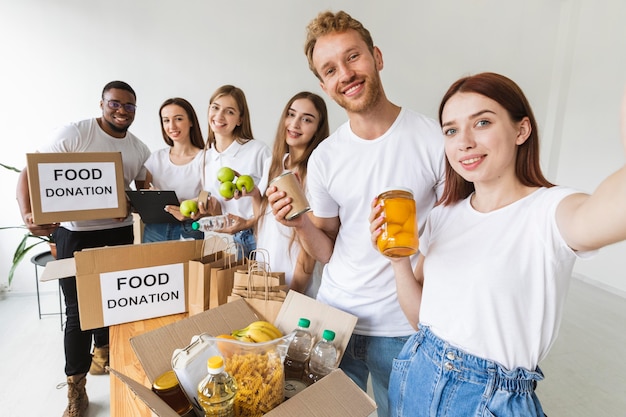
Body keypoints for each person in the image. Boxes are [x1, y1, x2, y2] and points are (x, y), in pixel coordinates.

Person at [369, 72, 626, 416]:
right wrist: (398, 261)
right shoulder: (444, 216)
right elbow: (421, 319)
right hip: (417, 372)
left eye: (483, 122)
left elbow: (612, 212)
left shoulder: (549, 211)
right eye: (451, 130)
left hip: (490, 399)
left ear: (521, 130)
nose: (464, 142)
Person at [267, 11, 445, 417]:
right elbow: (327, 248)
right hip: (335, 323)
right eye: (330, 69)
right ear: (323, 84)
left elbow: (451, 234)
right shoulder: (327, 155)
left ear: (376, 57)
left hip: (403, 329)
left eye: (353, 57)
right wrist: (299, 223)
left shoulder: (432, 138)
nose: (345, 73)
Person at [15, 81, 151, 417]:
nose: (121, 111)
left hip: (118, 235)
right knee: (77, 313)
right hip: (74, 236)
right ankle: (76, 390)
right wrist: (28, 215)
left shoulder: (138, 148)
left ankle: (103, 357)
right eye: (115, 103)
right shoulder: (74, 134)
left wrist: (134, 203)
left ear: (136, 109)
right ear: (102, 103)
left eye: (129, 106)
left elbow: (146, 192)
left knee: (114, 304)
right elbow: (28, 173)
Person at [251, 91, 329, 297]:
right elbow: (263, 223)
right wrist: (253, 195)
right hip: (267, 275)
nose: (294, 124)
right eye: (291, 114)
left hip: (297, 284)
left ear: (317, 130)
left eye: (306, 119)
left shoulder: (315, 172)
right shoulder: (273, 163)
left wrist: (292, 294)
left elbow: (309, 253)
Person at [200, 85, 271, 259]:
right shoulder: (204, 157)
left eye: (229, 112)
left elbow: (271, 202)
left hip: (256, 236)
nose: (219, 116)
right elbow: (217, 205)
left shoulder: (258, 150)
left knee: (261, 285)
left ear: (240, 119)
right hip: (224, 239)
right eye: (215, 108)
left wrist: (249, 222)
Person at [142, 97, 206, 242]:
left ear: (190, 121)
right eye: (166, 120)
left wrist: (191, 207)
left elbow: (209, 197)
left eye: (178, 119)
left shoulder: (205, 158)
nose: (172, 126)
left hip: (190, 227)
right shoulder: (156, 158)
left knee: (190, 266)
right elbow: (145, 194)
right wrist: (150, 196)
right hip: (156, 229)